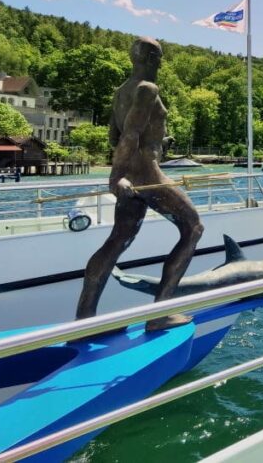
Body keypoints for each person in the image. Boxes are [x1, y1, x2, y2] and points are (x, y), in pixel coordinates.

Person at [75, 37, 204, 331]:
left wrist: (155, 145)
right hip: (146, 173)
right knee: (194, 228)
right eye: (158, 57)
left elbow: (114, 136)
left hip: (131, 174)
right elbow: (129, 135)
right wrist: (115, 176)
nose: (160, 63)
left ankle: (85, 318)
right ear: (149, 58)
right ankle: (160, 312)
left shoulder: (121, 91)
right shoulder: (148, 89)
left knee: (117, 240)